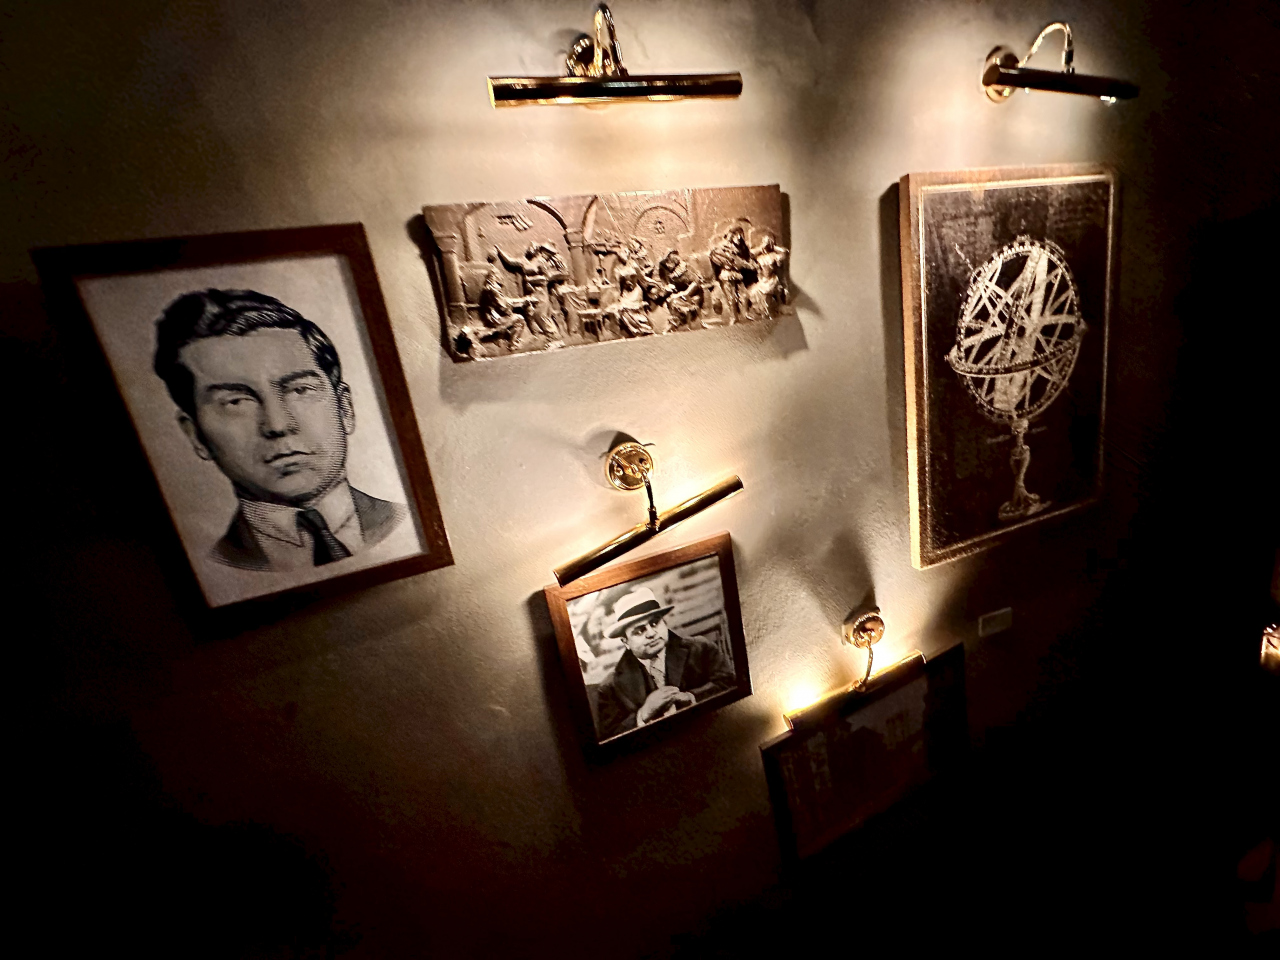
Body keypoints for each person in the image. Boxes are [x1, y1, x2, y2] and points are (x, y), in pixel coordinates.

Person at [153, 289, 406, 573]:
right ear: (195, 435)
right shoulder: (220, 565)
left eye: (300, 390)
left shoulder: (405, 521)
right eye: (237, 402)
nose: (277, 425)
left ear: (345, 408)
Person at [594, 586, 736, 739]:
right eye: (639, 631)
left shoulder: (700, 649)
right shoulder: (611, 687)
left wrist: (692, 697)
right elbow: (609, 738)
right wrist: (642, 715)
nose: (651, 633)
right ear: (625, 642)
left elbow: (730, 683)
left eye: (655, 623)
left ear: (665, 623)